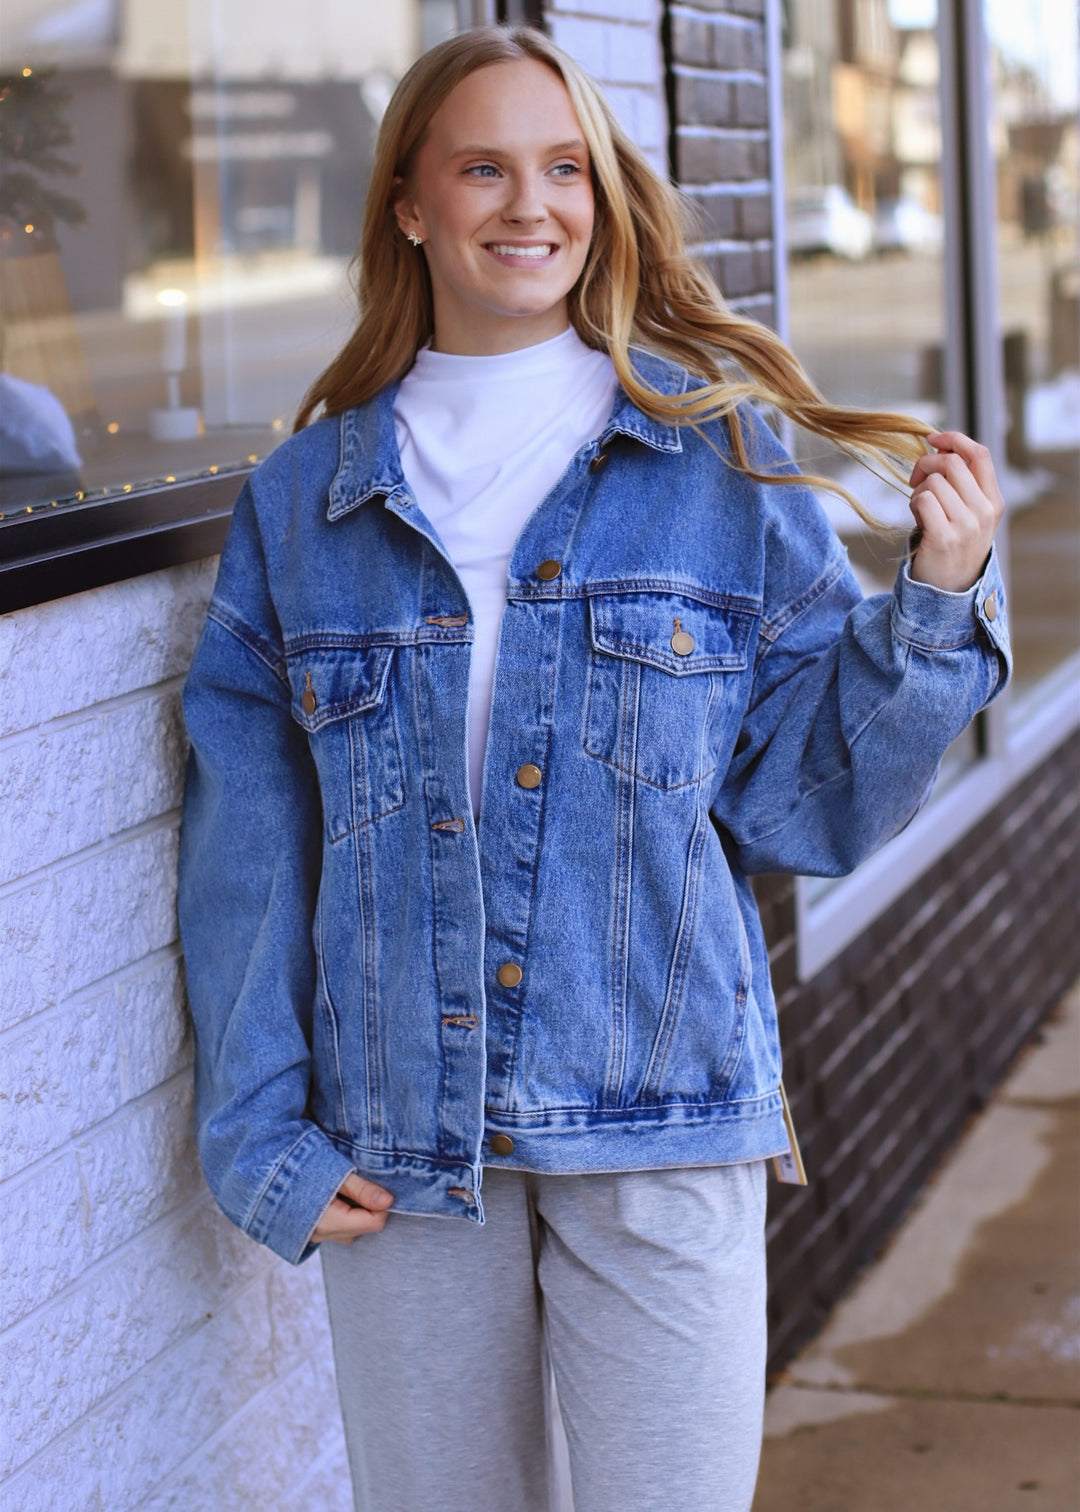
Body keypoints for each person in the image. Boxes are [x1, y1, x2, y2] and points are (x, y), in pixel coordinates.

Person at [177, 25, 1010, 1512]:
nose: (531, 204)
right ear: (410, 205)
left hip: (664, 1118)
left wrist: (937, 606)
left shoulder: (718, 459)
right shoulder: (305, 504)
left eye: (565, 167)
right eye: (483, 166)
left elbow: (805, 805)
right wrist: (260, 1138)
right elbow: (250, 846)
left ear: (605, 201)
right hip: (405, 1148)